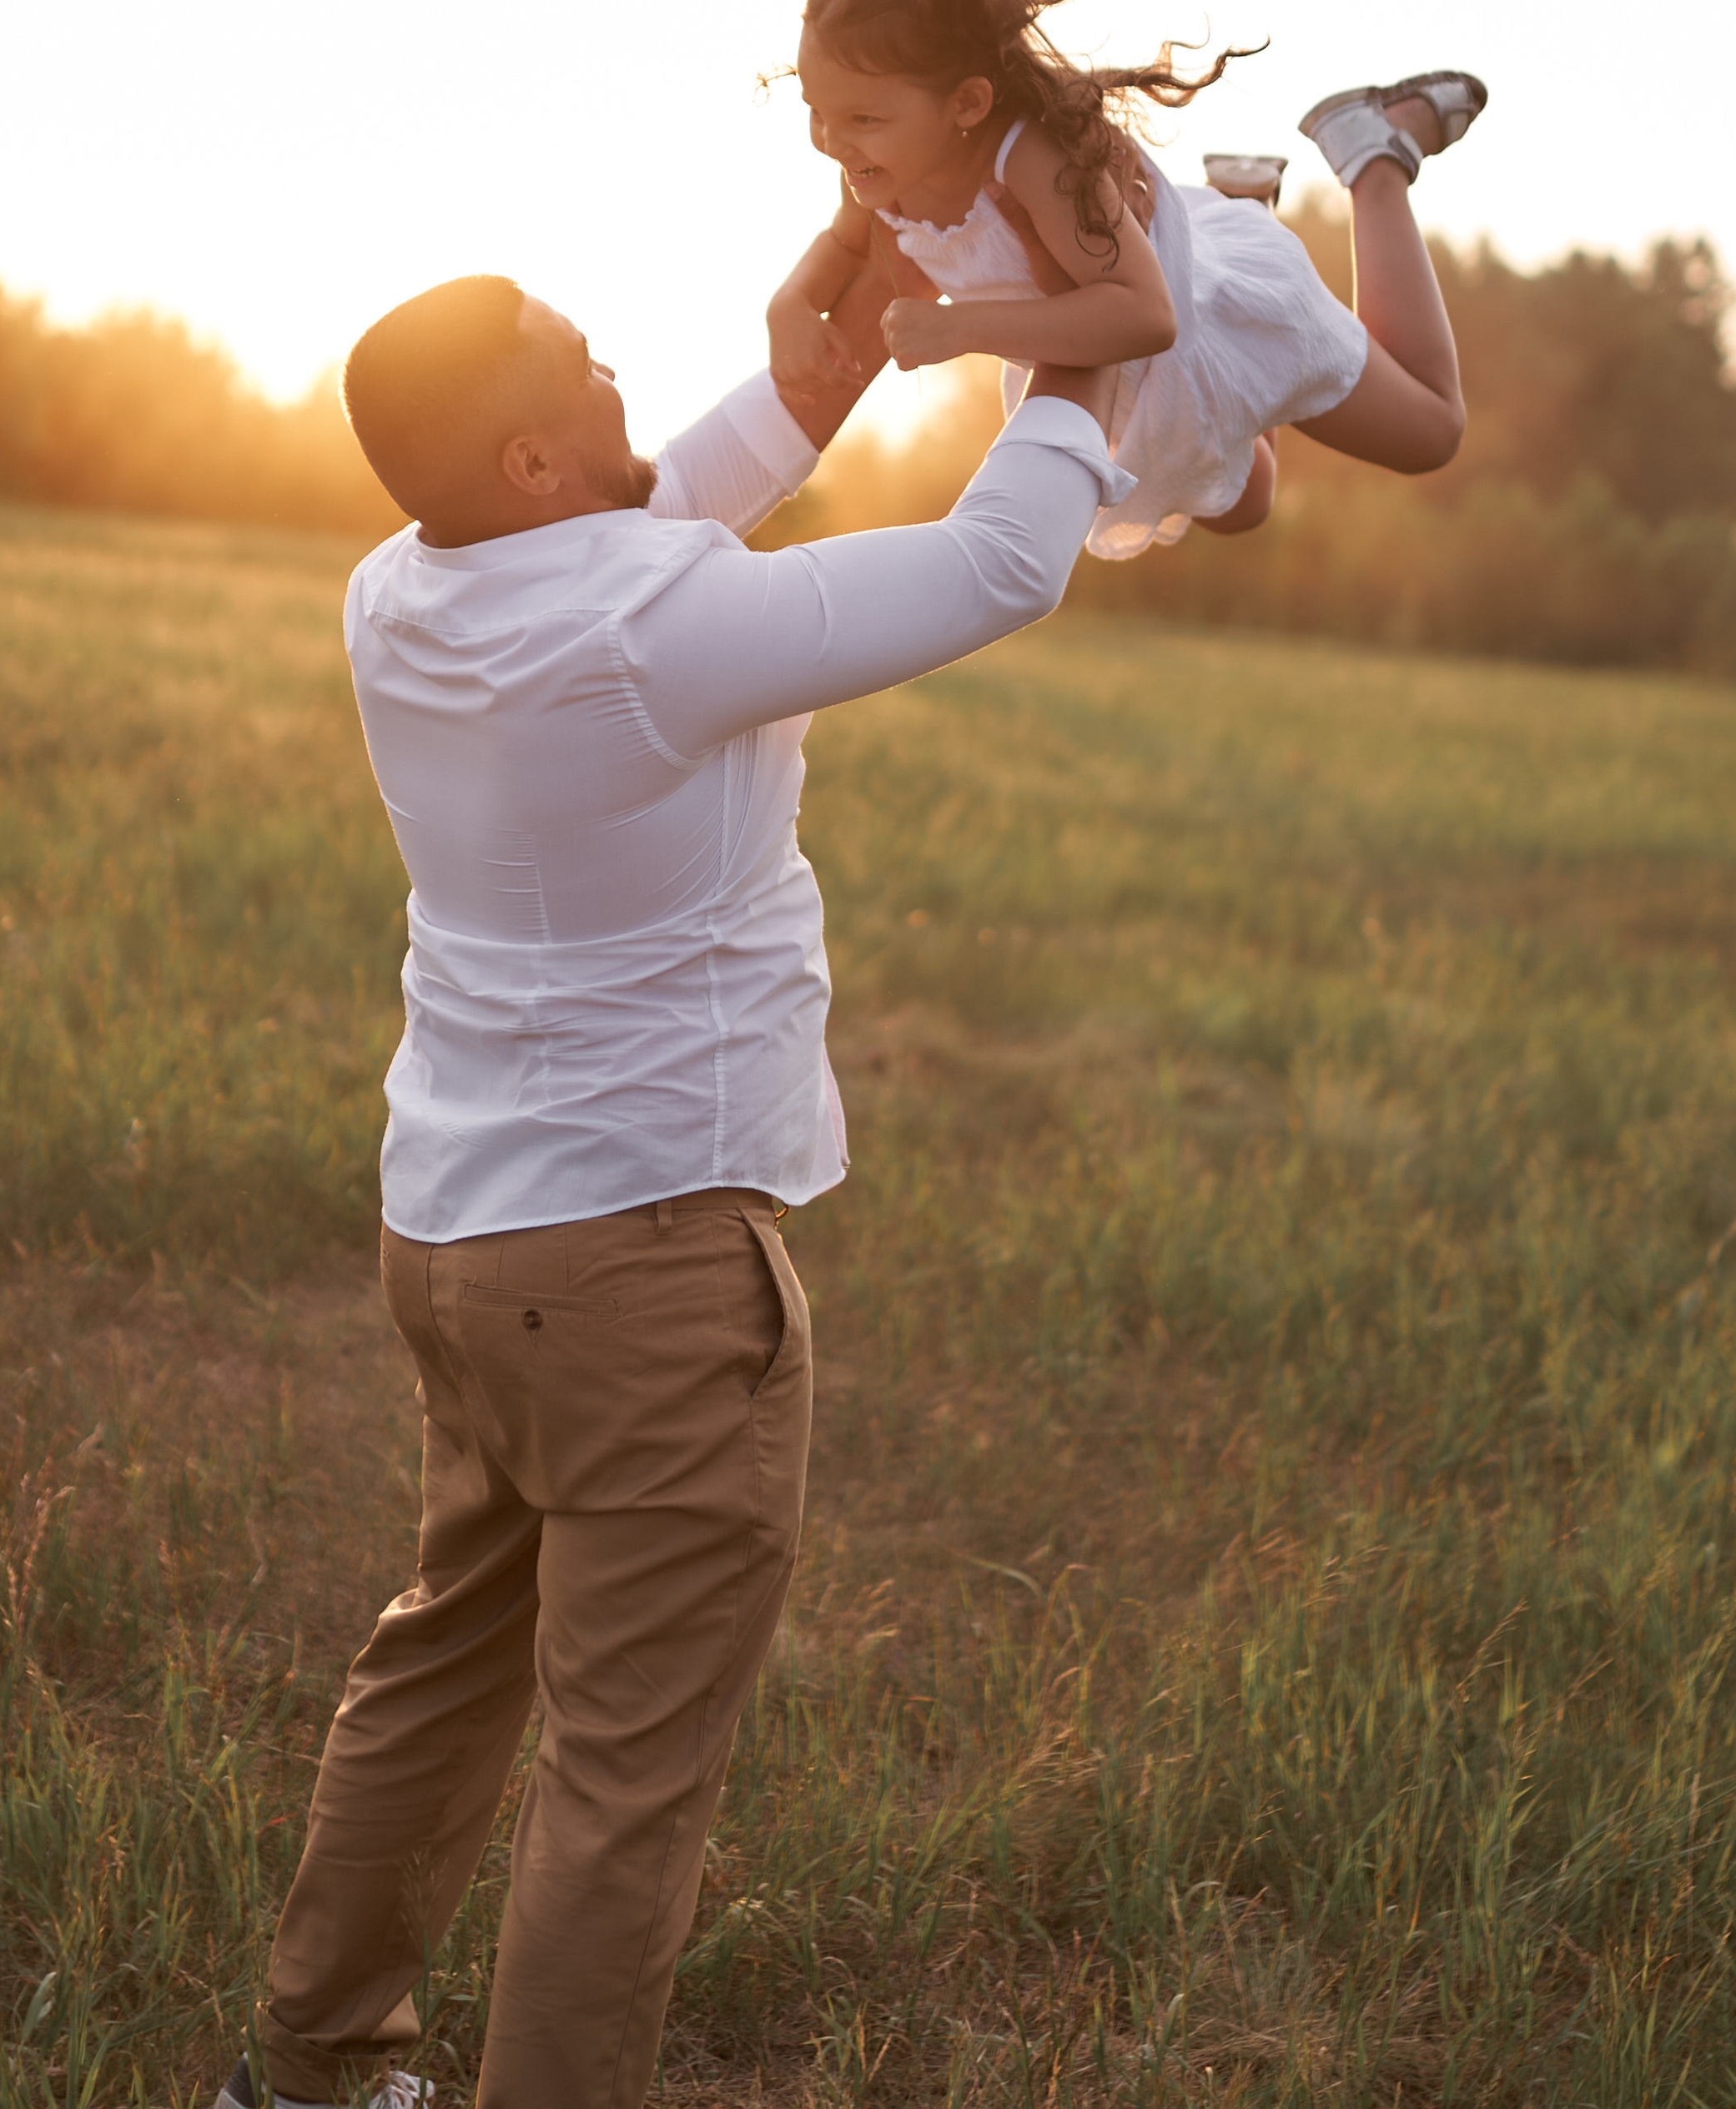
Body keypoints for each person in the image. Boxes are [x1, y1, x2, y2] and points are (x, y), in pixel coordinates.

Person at [215, 275, 1131, 2109]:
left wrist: (842, 303)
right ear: (536, 450)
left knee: (443, 1668)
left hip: (460, 1244)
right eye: (581, 362)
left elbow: (651, 507)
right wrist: (1076, 345)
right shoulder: (653, 617)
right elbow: (996, 566)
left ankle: (308, 2076)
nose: (617, 362)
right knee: (624, 1777)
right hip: (640, 1264)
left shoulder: (399, 588)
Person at [768, 0, 1487, 561]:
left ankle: (1374, 156)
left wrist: (960, 330)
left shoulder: (1030, 163)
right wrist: (789, 308)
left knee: (1430, 433)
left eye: (862, 118)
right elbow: (846, 243)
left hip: (1221, 326)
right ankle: (1249, 201)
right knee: (1246, 507)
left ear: (966, 102)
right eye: (816, 110)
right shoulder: (872, 165)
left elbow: (1145, 316)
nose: (830, 140)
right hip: (1119, 380)